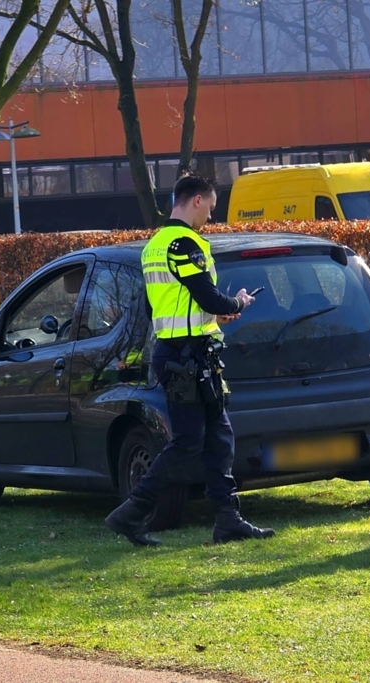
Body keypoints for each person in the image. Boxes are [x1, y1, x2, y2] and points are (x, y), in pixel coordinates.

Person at [105, 174, 276, 546]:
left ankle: (228, 519)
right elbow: (208, 297)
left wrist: (216, 317)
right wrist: (237, 304)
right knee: (187, 442)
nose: (210, 218)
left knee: (219, 437)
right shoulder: (184, 244)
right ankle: (131, 513)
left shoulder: (154, 246)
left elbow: (165, 306)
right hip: (187, 357)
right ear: (196, 200)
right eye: (211, 208)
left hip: (184, 353)